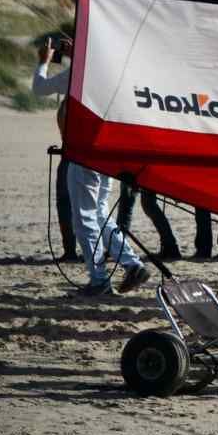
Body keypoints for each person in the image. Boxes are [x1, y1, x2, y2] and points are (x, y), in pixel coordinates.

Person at [33, 38, 151, 297]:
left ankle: (99, 280)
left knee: (84, 218)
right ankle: (133, 265)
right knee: (98, 215)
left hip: (84, 152)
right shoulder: (113, 72)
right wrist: (79, 53)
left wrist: (43, 61)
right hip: (104, 153)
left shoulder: (81, 72)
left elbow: (39, 88)